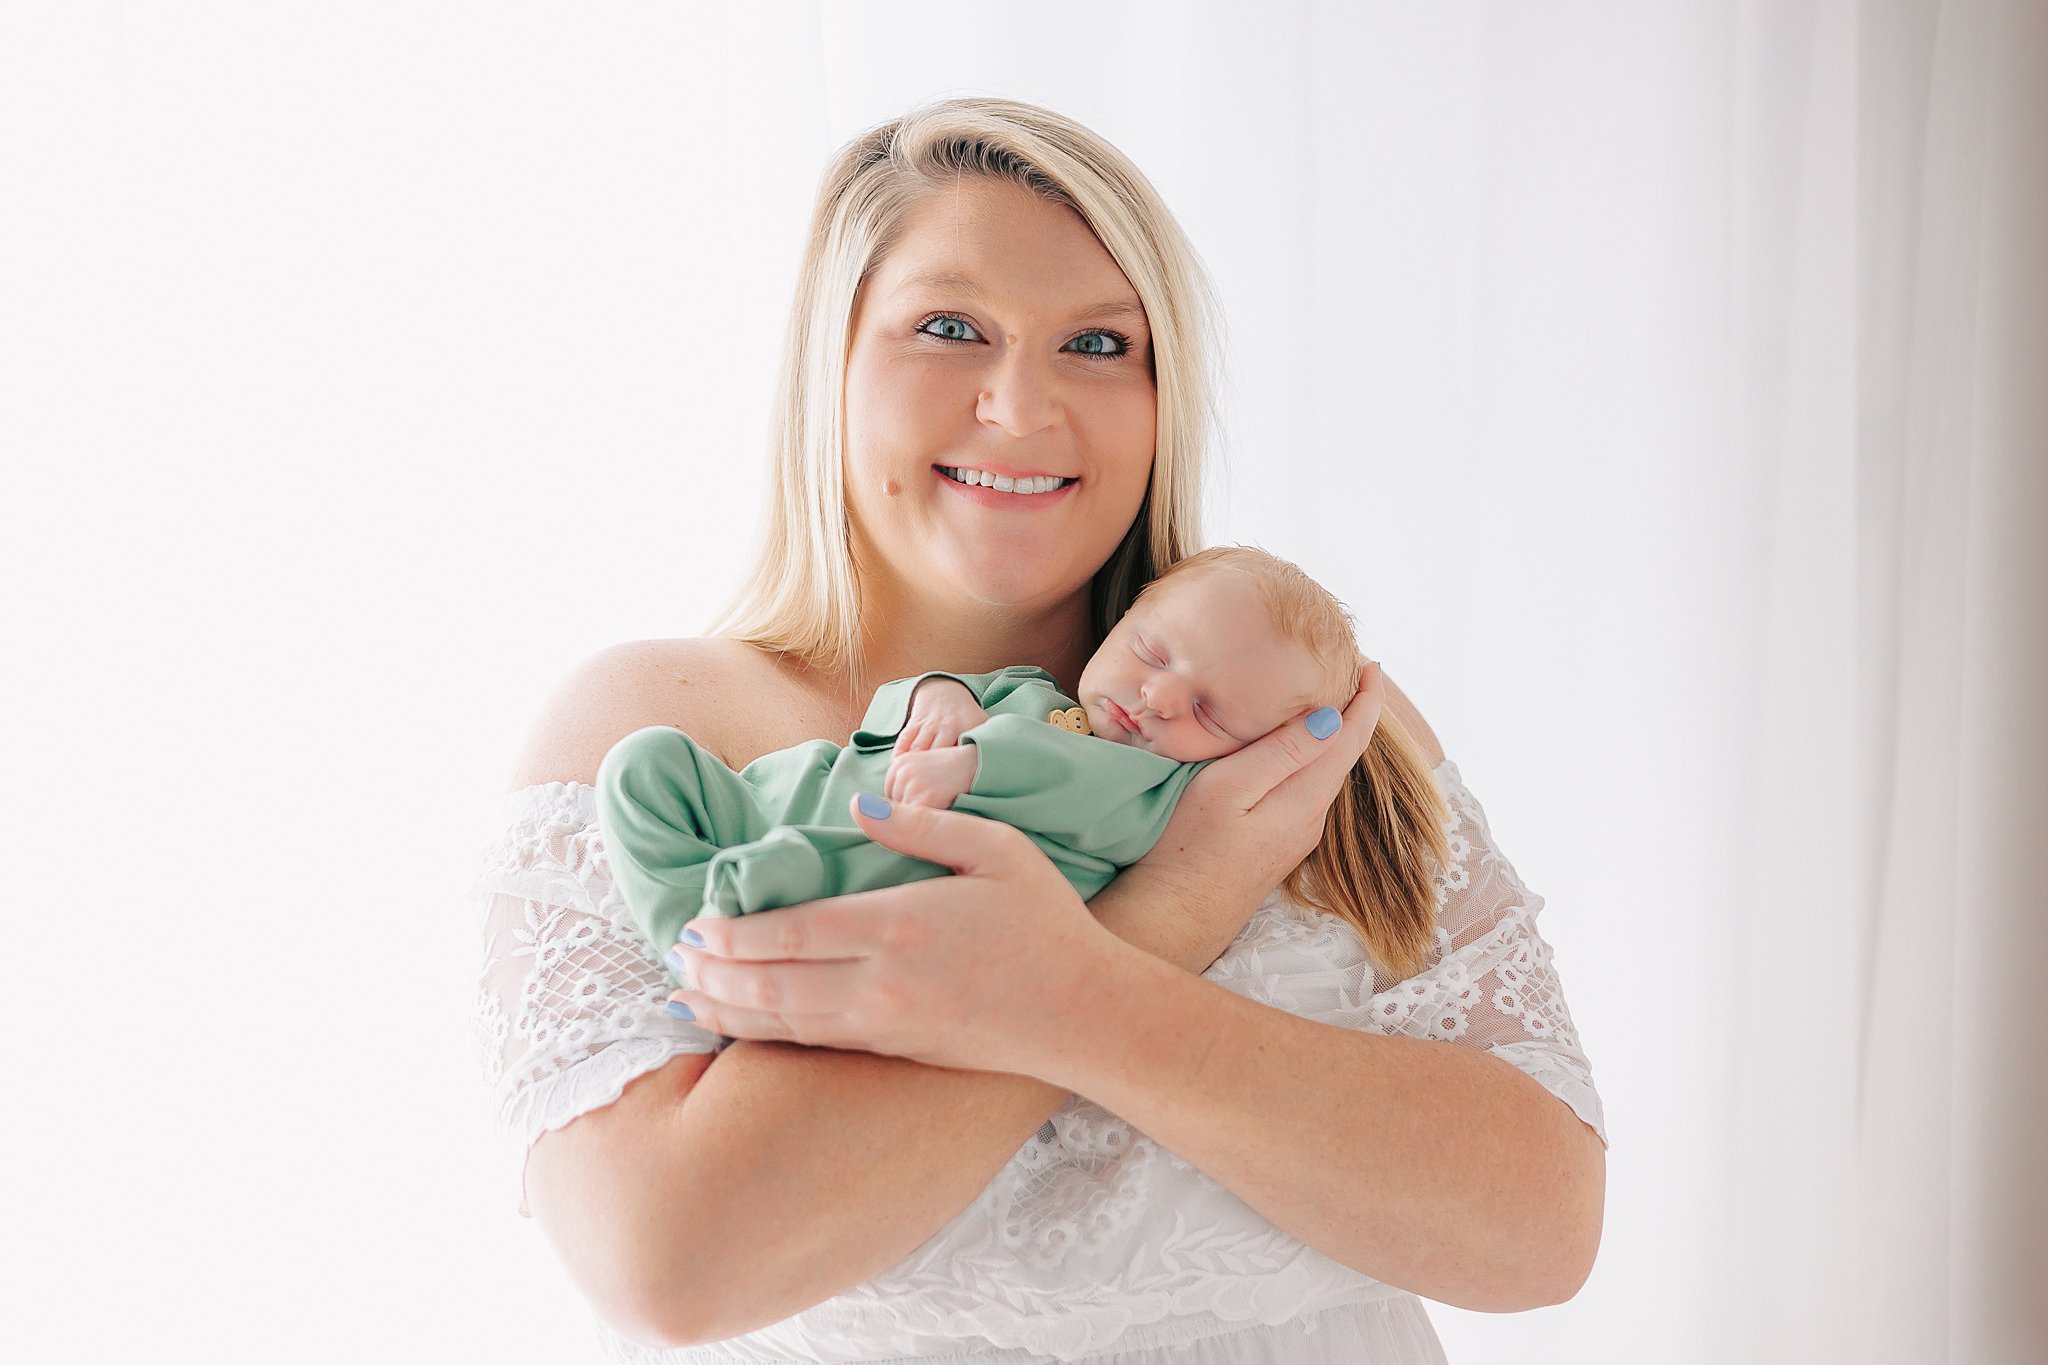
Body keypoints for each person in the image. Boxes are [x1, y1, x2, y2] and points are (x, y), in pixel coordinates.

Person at [471, 97, 1607, 1362]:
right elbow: (670, 1266)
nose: (1018, 406)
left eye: (1097, 344)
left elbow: (1539, 1231)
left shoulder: (1298, 717)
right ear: (831, 360)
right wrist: (1163, 914)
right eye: (948, 328)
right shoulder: (660, 726)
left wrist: (1080, 997)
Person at [595, 546, 1451, 1003]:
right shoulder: (1028, 693)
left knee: (802, 873)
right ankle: (690, 933)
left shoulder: (1155, 794)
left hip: (878, 873)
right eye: (1151, 652)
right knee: (645, 763)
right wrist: (936, 696)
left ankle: (746, 909)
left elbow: (1085, 794)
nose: (1155, 698)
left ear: (1248, 754)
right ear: (1128, 618)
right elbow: (890, 707)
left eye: (1209, 715)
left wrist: (977, 761)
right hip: (783, 800)